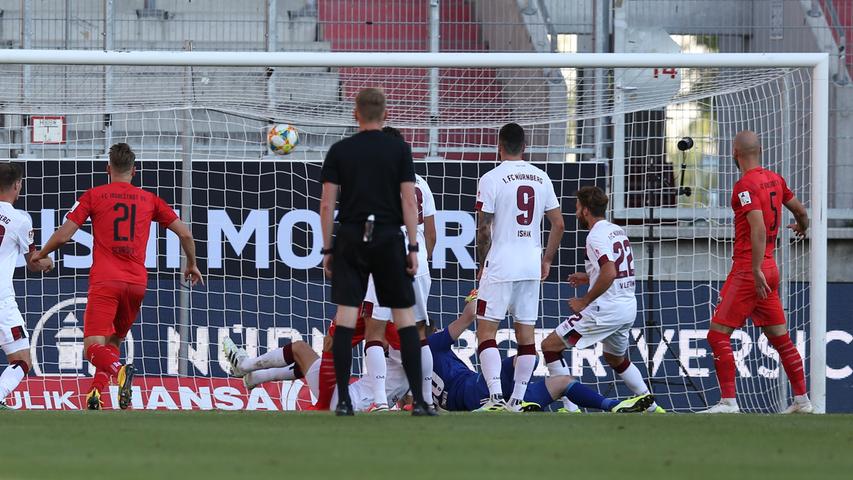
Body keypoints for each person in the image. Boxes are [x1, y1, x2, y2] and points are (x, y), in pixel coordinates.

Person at [32, 143, 202, 410]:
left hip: (105, 281)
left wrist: (40, 254)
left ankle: (119, 370)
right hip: (136, 284)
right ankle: (96, 393)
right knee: (113, 342)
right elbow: (186, 233)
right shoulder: (150, 199)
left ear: (108, 168)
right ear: (134, 170)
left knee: (92, 348)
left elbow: (65, 235)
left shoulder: (94, 195)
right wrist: (191, 264)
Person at [318, 88, 431, 416]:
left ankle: (342, 402)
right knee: (406, 319)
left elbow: (327, 204)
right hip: (386, 236)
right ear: (384, 114)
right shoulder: (399, 150)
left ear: (356, 113)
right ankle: (421, 402)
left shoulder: (340, 150)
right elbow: (409, 202)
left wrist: (328, 248)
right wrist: (413, 245)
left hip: (352, 236)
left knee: (348, 318)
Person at [700, 131, 811, 414]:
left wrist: (754, 268)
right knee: (781, 338)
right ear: (759, 150)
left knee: (717, 335)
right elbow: (800, 211)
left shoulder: (744, 186)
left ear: (734, 153)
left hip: (751, 270)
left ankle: (728, 402)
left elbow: (758, 228)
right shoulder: (775, 178)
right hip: (771, 268)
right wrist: (803, 227)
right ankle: (802, 401)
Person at [540, 186, 662, 414]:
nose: (575, 212)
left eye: (577, 208)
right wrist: (588, 276)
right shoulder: (617, 230)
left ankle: (571, 407)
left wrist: (584, 301)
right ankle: (652, 406)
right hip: (626, 307)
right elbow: (615, 270)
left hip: (604, 311)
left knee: (549, 346)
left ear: (585, 211)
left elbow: (609, 272)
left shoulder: (594, 236)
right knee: (614, 357)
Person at [429, 294, 654, 413]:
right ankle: (516, 402)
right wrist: (480, 299)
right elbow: (468, 317)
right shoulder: (430, 343)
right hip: (473, 390)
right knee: (521, 358)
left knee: (562, 381)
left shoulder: (413, 363)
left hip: (473, 394)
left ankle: (612, 405)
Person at [474, 122, 565, 412]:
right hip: (530, 265)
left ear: (498, 146)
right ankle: (518, 399)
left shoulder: (491, 178)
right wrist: (547, 259)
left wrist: (482, 261)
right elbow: (559, 223)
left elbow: (484, 228)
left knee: (486, 332)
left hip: (501, 263)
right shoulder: (541, 177)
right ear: (525, 147)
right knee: (526, 335)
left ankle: (496, 397)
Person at [360, 126, 437, 412]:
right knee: (418, 333)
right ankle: (426, 400)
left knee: (375, 331)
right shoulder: (421, 183)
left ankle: (380, 401)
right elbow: (431, 233)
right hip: (418, 266)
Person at [0, 163, 54, 409]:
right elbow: (33, 263)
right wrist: (47, 261)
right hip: (1, 300)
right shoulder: (20, 219)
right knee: (22, 359)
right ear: (17, 184)